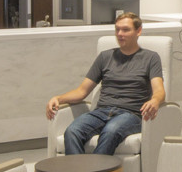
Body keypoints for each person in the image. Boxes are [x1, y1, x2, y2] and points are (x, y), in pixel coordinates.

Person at [46, 11, 165, 155]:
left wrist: (155, 101)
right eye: (117, 29)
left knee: (110, 132)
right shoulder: (105, 57)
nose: (120, 33)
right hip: (101, 111)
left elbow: (159, 90)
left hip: (131, 114)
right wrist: (58, 98)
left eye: (126, 30)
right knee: (72, 131)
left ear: (138, 31)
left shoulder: (150, 58)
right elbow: (81, 91)